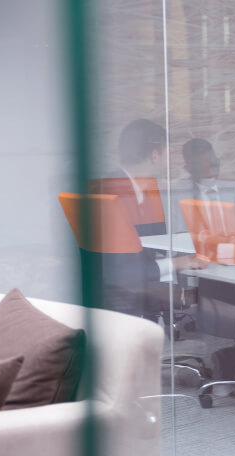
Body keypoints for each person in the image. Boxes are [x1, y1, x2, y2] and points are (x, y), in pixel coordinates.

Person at [95, 119, 206, 317]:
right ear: (155, 156)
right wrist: (179, 263)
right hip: (118, 306)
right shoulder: (112, 195)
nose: (169, 161)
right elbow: (123, 271)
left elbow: (154, 245)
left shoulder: (143, 191)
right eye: (167, 153)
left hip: (137, 297)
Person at [178, 138, 235, 236]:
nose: (214, 169)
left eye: (214, 162)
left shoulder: (234, 189)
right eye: (208, 166)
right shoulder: (180, 195)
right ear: (189, 168)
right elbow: (179, 236)